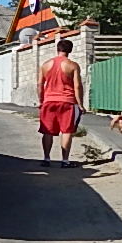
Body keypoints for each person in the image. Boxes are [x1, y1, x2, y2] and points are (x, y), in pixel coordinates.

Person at [36, 38, 84, 168]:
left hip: (49, 101)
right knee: (67, 131)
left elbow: (40, 84)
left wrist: (41, 100)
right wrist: (80, 104)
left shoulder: (45, 65)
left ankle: (46, 158)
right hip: (67, 102)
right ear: (70, 50)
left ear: (57, 49)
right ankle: (65, 160)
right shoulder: (73, 65)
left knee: (47, 131)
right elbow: (77, 86)